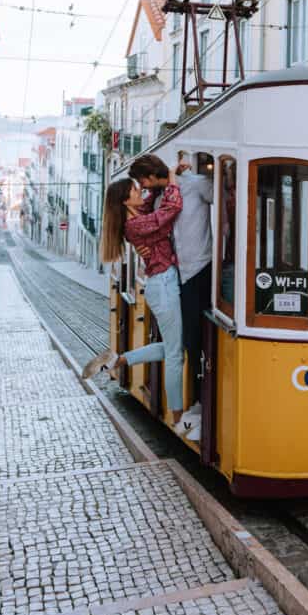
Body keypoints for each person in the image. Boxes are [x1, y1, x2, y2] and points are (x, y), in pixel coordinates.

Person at [82, 167, 185, 427]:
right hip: (163, 285)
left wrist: (159, 182)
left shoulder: (137, 214)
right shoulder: (136, 224)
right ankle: (178, 417)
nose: (141, 190)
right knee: (175, 356)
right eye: (136, 189)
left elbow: (151, 201)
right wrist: (171, 181)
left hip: (165, 284)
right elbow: (171, 210)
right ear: (126, 201)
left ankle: (118, 360)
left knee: (175, 348)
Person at [130, 152, 213, 442]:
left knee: (189, 343)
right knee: (183, 344)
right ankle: (188, 411)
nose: (142, 188)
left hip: (198, 270)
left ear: (151, 177)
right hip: (175, 276)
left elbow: (227, 199)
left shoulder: (195, 184)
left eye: (142, 182)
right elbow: (158, 217)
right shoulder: (160, 196)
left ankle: (195, 405)